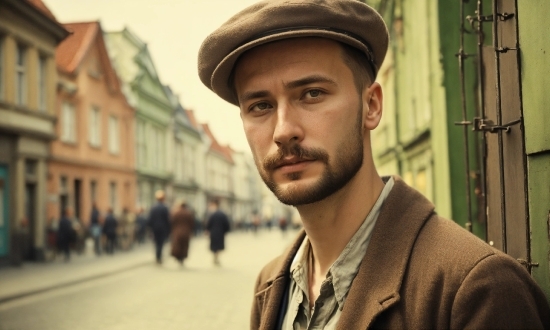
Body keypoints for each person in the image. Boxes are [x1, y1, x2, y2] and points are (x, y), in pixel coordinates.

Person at [198, 1, 550, 329]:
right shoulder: (272, 284)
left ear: (371, 106)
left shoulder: (472, 290)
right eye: (260, 106)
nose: (284, 130)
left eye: (312, 94)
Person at [148, 190, 171, 264]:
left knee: (156, 242)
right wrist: (168, 229)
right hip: (162, 228)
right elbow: (167, 219)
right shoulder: (164, 208)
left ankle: (157, 256)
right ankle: (159, 256)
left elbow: (150, 219)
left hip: (155, 228)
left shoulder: (153, 207)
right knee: (160, 243)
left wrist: (150, 227)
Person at [170, 199, 195, 265]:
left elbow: (171, 222)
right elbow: (192, 223)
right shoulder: (188, 213)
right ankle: (182, 258)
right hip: (186, 232)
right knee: (184, 246)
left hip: (177, 232)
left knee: (177, 245)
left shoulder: (175, 213)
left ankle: (178, 257)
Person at [205, 200, 230, 266]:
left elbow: (208, 224)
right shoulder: (222, 214)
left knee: (214, 246)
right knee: (218, 246)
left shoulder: (212, 214)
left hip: (213, 232)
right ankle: (216, 257)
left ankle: (215, 256)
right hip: (220, 233)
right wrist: (225, 231)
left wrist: (207, 230)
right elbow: (226, 224)